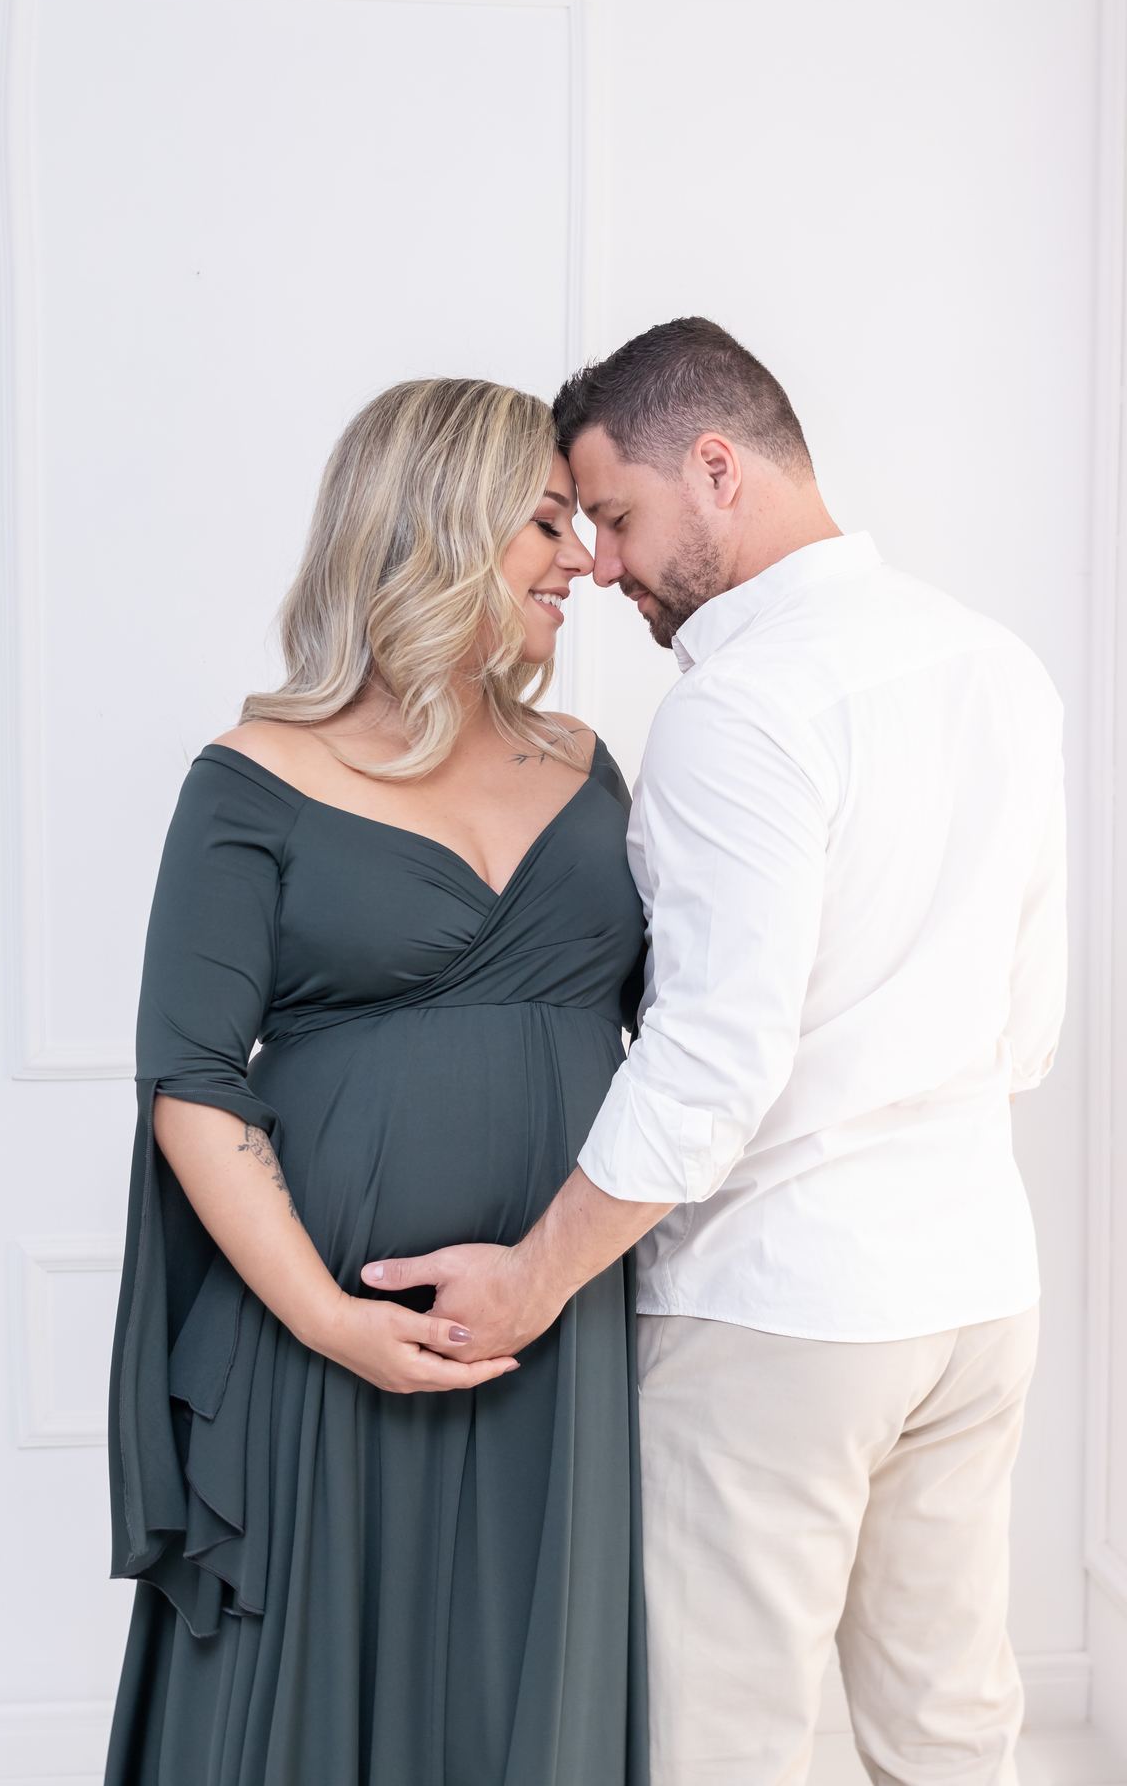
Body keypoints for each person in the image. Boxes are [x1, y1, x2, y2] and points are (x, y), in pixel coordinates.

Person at [363, 319, 1067, 1786]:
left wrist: (530, 1280)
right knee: (950, 1731)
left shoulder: (741, 706)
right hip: (975, 1289)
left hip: (777, 1310)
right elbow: (1030, 1018)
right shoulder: (994, 662)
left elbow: (708, 1067)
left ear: (717, 466)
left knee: (715, 1750)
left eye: (616, 516)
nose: (601, 564)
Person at [104, 378, 649, 1786]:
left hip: (557, 1321)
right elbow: (192, 1082)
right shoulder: (254, 777)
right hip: (329, 1332)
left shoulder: (587, 766)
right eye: (547, 523)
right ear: (444, 525)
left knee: (526, 1697)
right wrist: (333, 1323)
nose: (584, 561)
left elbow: (683, 1030)